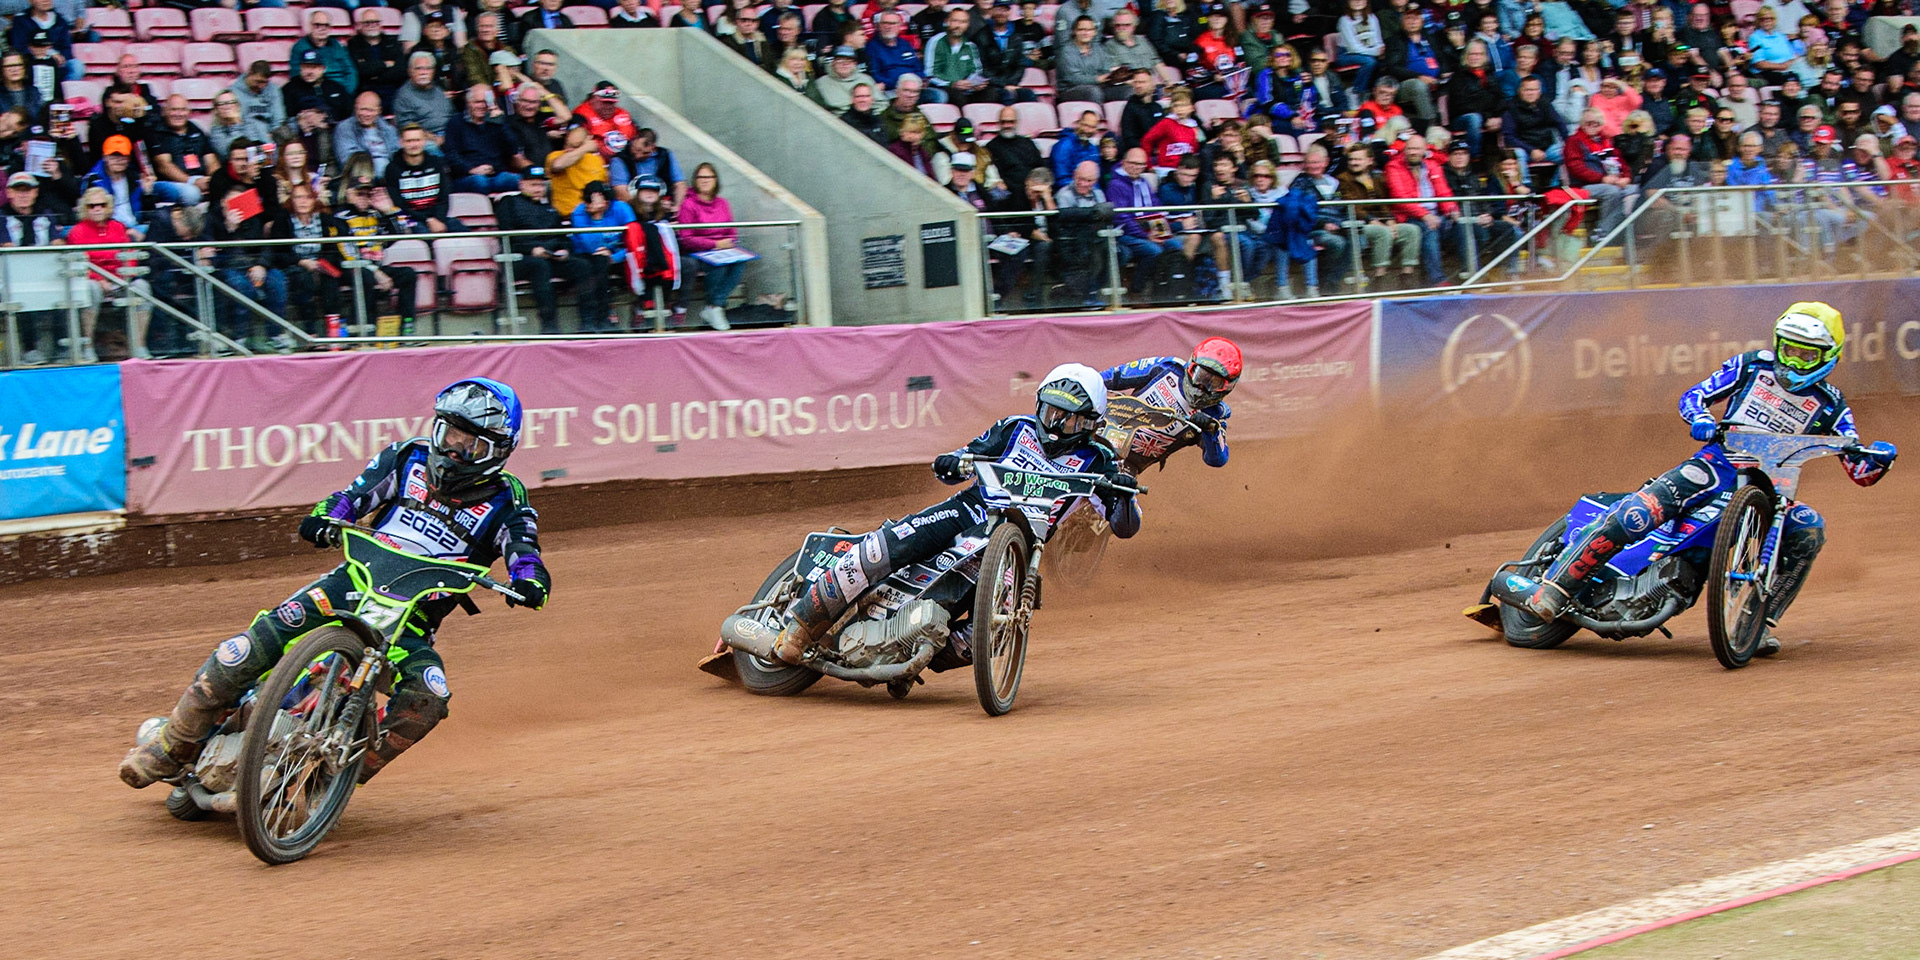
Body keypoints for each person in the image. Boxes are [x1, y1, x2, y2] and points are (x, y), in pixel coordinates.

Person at [120, 379, 552, 790]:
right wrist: (325, 517)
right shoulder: (407, 458)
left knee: (428, 698)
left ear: (498, 451)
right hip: (348, 586)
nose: (454, 449)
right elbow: (351, 497)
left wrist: (530, 581)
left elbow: (524, 550)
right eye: (450, 434)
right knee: (244, 650)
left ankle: (330, 782)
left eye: (471, 443)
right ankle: (172, 746)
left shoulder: (507, 500)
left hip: (411, 623)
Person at [1500, 303, 1898, 656]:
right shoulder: (1751, 366)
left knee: (1809, 529)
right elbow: (1694, 396)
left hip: (1775, 489)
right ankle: (1555, 589)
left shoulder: (1831, 405)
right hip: (1715, 465)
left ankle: (1756, 622)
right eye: (1788, 349)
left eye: (1805, 354)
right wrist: (1701, 418)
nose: (1793, 362)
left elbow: (1859, 470)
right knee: (1639, 512)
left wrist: (1879, 459)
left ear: (1828, 357)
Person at [724, 364, 1138, 666]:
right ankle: (798, 627)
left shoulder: (1100, 459)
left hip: (1018, 545)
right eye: (1050, 412)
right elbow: (959, 459)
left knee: (994, 632)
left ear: (1090, 423)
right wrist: (953, 461)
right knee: (883, 548)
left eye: (1068, 419)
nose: (1056, 424)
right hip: (968, 510)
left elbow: (1124, 526)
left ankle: (904, 647)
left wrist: (1122, 493)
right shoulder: (1016, 428)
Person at [1100, 338, 1239, 467]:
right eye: (1201, 376)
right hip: (1098, 435)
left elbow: (1218, 460)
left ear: (1227, 387)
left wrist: (1210, 430)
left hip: (1127, 466)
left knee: (1118, 485)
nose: (1202, 386)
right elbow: (1114, 376)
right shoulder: (1167, 368)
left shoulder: (1215, 415)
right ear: (1191, 367)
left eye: (1214, 383)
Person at [494, 166, 597, 334]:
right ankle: (549, 326)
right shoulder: (509, 203)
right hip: (518, 258)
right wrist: (531, 249)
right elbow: (506, 237)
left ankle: (588, 324)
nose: (538, 189)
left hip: (549, 256)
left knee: (582, 266)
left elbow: (562, 237)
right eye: (533, 185)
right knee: (539, 266)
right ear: (521, 184)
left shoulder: (550, 209)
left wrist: (564, 250)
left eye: (541, 185)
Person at [333, 177, 421, 330]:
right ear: (349, 194)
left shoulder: (376, 214)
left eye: (368, 195)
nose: (364, 198)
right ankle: (365, 327)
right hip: (349, 269)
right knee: (365, 276)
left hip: (375, 268)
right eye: (360, 194)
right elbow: (347, 253)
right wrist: (376, 273)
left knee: (408, 274)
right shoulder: (340, 217)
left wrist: (388, 211)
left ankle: (406, 326)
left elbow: (399, 234)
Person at [1338, 144, 1420, 289]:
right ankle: (1379, 278)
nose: (1354, 163)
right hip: (1358, 223)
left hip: (1380, 221)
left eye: (1358, 159)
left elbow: (1383, 203)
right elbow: (1352, 206)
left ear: (1369, 160)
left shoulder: (1377, 178)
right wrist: (1372, 220)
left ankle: (1407, 275)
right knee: (1382, 233)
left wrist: (1390, 220)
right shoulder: (1343, 179)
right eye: (1351, 159)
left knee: (1411, 230)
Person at [677, 162, 747, 331]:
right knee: (718, 266)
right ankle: (715, 307)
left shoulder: (723, 203)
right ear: (695, 180)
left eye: (709, 177)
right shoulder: (688, 204)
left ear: (716, 180)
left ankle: (714, 306)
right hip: (697, 252)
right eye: (701, 177)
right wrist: (714, 244)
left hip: (723, 249)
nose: (705, 180)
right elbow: (686, 238)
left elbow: (732, 231)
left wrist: (728, 244)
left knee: (739, 263)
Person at [270, 182, 345, 338]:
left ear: (314, 200)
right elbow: (278, 252)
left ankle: (335, 333)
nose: (303, 201)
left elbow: (333, 248)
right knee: (303, 280)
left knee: (330, 282)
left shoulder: (324, 219)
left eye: (308, 197)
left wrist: (321, 263)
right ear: (291, 200)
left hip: (320, 265)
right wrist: (301, 262)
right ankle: (311, 333)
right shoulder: (283, 219)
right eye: (298, 197)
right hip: (294, 266)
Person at [1565, 107, 1635, 243]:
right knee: (1612, 192)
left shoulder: (1607, 141)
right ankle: (1602, 232)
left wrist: (1626, 178)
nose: (1592, 126)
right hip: (1584, 186)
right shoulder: (1574, 141)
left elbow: (1622, 163)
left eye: (1596, 123)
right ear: (1582, 124)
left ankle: (1626, 231)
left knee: (1635, 190)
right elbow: (1576, 168)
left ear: (1601, 124)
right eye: (1588, 123)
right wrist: (1602, 179)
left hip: (1613, 182)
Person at [445, 85, 525, 194]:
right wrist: (472, 170)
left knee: (519, 181)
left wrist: (501, 123)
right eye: (478, 102)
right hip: (468, 176)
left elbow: (513, 149)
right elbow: (451, 155)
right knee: (480, 182)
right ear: (468, 102)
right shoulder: (455, 123)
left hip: (496, 174)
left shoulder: (497, 122)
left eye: (486, 102)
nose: (482, 106)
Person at [608, 128, 687, 208]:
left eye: (645, 152)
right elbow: (621, 192)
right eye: (636, 150)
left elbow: (679, 184)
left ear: (653, 148)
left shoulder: (665, 155)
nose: (638, 155)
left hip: (663, 204)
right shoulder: (619, 160)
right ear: (633, 141)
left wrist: (676, 207)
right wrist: (646, 208)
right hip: (632, 207)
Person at [290, 9, 359, 95]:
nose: (322, 29)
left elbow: (350, 71)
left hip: (342, 91)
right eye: (317, 25)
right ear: (310, 26)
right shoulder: (299, 47)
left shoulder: (337, 45)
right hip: (316, 93)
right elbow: (296, 76)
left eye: (326, 25)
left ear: (330, 28)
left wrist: (345, 93)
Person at [336, 91, 403, 178]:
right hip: (363, 177)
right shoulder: (345, 128)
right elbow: (348, 161)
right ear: (355, 109)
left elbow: (398, 154)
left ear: (379, 111)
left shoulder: (388, 128)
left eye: (371, 110)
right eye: (362, 109)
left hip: (391, 177)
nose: (366, 114)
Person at [351, 9, 408, 106]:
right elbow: (361, 71)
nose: (372, 25)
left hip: (394, 91)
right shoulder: (353, 44)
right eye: (367, 23)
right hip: (366, 92)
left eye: (376, 22)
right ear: (360, 25)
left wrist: (375, 76)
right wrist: (385, 64)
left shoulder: (392, 42)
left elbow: (401, 70)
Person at [395, 52, 455, 142]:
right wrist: (435, 139)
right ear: (410, 71)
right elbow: (407, 127)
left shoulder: (439, 89)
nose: (423, 72)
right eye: (418, 68)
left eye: (428, 68)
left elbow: (453, 115)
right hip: (425, 140)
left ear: (433, 71)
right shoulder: (403, 96)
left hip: (450, 135)